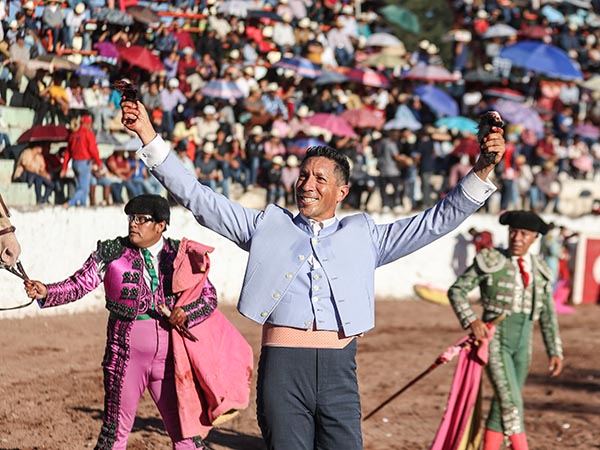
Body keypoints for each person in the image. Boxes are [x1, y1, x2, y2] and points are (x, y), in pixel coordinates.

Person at [121, 99, 505, 450]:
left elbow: (435, 221)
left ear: (341, 192)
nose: (307, 184)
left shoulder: (366, 235)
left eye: (320, 179)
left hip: (340, 371)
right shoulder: (265, 224)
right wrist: (148, 136)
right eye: (304, 176)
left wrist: (482, 169)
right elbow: (198, 198)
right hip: (283, 371)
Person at [23, 194, 216, 450]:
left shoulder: (180, 255)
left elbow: (209, 297)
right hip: (125, 356)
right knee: (114, 434)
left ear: (161, 225)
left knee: (187, 436)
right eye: (131, 218)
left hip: (171, 360)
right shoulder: (112, 252)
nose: (133, 224)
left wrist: (186, 313)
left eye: (141, 219)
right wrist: (47, 292)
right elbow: (79, 284)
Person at [448, 210, 564, 450]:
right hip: (497, 341)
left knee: (503, 403)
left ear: (534, 238)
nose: (517, 238)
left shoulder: (539, 269)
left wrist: (555, 351)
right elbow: (457, 290)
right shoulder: (491, 260)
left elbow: (547, 314)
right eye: (513, 232)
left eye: (524, 234)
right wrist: (472, 320)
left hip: (524, 347)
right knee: (511, 402)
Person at [62, 114, 103, 207]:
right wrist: (99, 162)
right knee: (84, 188)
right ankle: (70, 203)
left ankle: (83, 205)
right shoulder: (88, 134)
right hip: (84, 163)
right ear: (88, 124)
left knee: (80, 185)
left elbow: (68, 153)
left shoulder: (73, 135)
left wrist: (64, 168)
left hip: (75, 163)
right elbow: (93, 150)